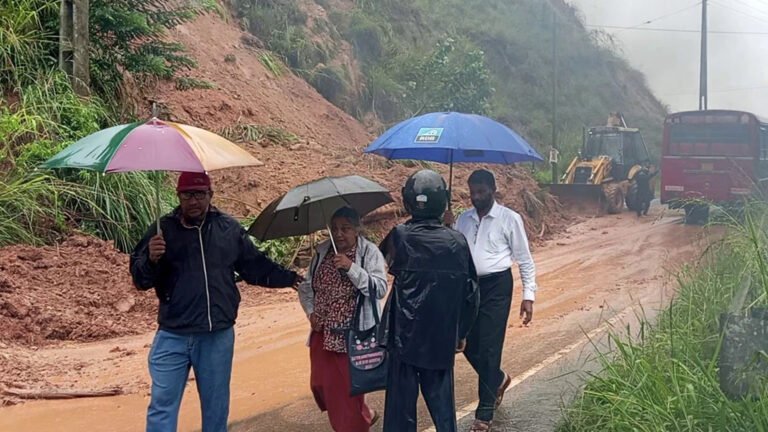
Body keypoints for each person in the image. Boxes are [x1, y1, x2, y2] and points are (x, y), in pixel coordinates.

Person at [130, 171, 302, 432]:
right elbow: (140, 280)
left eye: (199, 194)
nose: (193, 201)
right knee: (162, 406)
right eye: (187, 194)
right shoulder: (161, 231)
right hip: (172, 335)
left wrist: (290, 278)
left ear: (210, 195)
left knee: (215, 407)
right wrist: (151, 260)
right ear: (178, 197)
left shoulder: (228, 229)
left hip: (216, 335)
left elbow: (254, 267)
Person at [380, 169, 479, 432]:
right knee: (443, 409)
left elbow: (384, 261)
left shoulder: (399, 236)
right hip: (441, 336)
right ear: (443, 201)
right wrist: (462, 331)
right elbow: (471, 294)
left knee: (400, 413)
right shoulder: (457, 242)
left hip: (405, 336)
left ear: (407, 200)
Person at [453, 169, 538, 432]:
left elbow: (524, 259)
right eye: (473, 192)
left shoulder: (509, 219)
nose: (476, 197)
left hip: (497, 287)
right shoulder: (462, 219)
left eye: (481, 192)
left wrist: (528, 296)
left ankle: (484, 413)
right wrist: (446, 227)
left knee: (490, 347)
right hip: (469, 287)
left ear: (493, 190)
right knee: (464, 342)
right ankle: (498, 378)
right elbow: (453, 251)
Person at [297, 206, 388, 432]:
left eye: (345, 228)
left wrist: (351, 268)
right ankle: (364, 413)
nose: (339, 234)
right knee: (320, 385)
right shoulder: (322, 252)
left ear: (357, 229)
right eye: (335, 229)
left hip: (351, 336)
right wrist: (311, 313)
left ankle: (355, 423)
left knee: (344, 395)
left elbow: (379, 289)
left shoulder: (368, 253)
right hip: (323, 332)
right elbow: (306, 288)